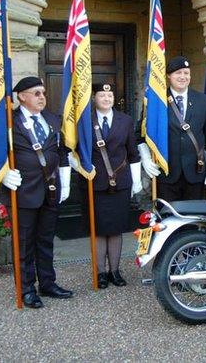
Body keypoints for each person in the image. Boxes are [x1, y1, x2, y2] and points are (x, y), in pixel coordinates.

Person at [0, 76, 73, 309]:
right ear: (21, 96)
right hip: (22, 192)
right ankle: (27, 288)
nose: (42, 97)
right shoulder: (8, 122)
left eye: (43, 93)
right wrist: (2, 175)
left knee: (45, 240)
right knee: (24, 244)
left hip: (50, 190)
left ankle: (48, 283)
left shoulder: (52, 119)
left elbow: (62, 151)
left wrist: (65, 180)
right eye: (36, 93)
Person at [84, 84, 142, 288]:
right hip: (96, 182)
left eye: (110, 94)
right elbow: (76, 150)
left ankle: (115, 271)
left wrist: (136, 180)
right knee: (99, 229)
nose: (107, 98)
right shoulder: (85, 120)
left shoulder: (124, 120)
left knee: (116, 228)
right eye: (102, 95)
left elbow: (133, 152)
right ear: (94, 98)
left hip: (121, 182)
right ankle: (100, 272)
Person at [138, 55, 206, 201]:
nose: (183, 77)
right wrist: (145, 158)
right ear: (169, 75)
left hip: (196, 172)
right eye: (178, 73)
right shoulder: (157, 100)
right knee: (168, 219)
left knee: (195, 220)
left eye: (186, 73)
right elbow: (140, 133)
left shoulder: (203, 100)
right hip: (166, 173)